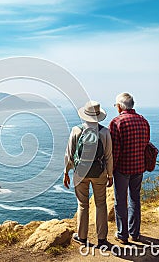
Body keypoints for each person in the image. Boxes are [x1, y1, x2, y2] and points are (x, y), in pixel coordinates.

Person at [63, 101, 113, 247]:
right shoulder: (104, 132)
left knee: (83, 205)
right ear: (98, 116)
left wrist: (66, 172)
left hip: (80, 173)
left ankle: (82, 238)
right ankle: (102, 239)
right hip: (100, 173)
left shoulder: (76, 130)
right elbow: (109, 156)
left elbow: (69, 155)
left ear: (84, 115)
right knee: (101, 204)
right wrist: (110, 175)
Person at [109, 93, 150, 244]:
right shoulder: (143, 121)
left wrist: (110, 171)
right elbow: (146, 144)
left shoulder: (116, 122)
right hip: (139, 166)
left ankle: (122, 235)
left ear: (120, 106)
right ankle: (135, 233)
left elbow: (115, 150)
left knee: (121, 201)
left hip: (122, 169)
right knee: (135, 199)